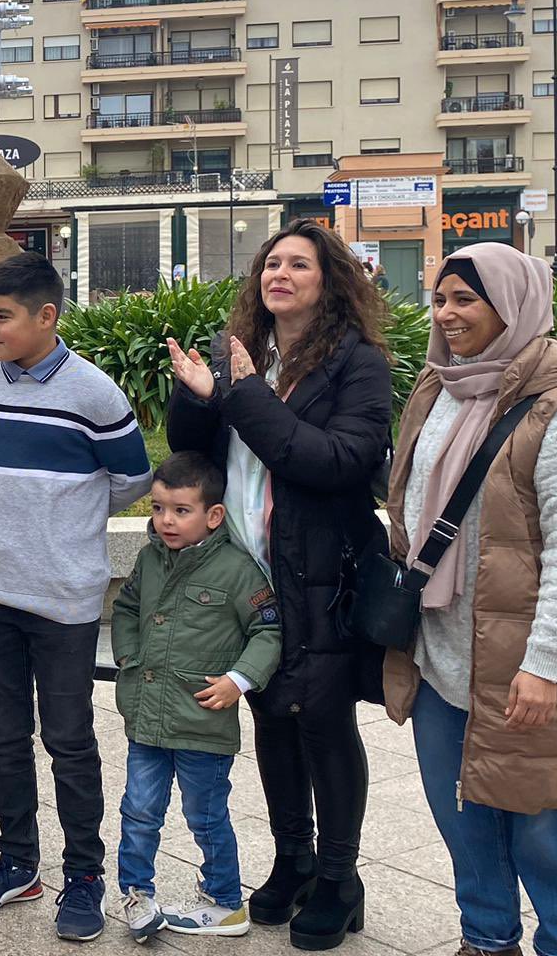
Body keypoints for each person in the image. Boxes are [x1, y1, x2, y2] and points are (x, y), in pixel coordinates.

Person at [167, 218, 391, 949]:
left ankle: (339, 878)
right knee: (270, 718)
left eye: (298, 263)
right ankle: (292, 858)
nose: (279, 274)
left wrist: (240, 396)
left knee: (322, 721)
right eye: (271, 263)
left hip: (323, 576)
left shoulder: (357, 362)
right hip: (249, 574)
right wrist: (199, 397)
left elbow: (335, 461)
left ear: (329, 279)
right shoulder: (243, 355)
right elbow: (195, 452)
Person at [0, 251, 152, 939]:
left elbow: (130, 480)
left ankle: (85, 875)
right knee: (4, 738)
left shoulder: (96, 395)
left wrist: (56, 527)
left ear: (46, 316)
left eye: (3, 318)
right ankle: (17, 864)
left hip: (63, 596)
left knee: (69, 741)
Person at [381, 243, 557, 955]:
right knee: (461, 817)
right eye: (440, 298)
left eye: (466, 298)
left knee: (546, 830)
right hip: (440, 650)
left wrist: (548, 663)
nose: (447, 314)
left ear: (513, 303)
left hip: (523, 662)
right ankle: (486, 938)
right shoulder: (441, 388)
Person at [111, 452, 282, 942]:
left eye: (181, 510)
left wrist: (239, 680)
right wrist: (128, 654)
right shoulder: (149, 559)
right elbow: (125, 607)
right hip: (147, 715)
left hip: (203, 721)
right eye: (159, 507)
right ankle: (136, 894)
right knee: (139, 808)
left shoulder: (238, 570)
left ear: (213, 515)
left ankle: (225, 901)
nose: (166, 520)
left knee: (204, 815)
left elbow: (268, 633)